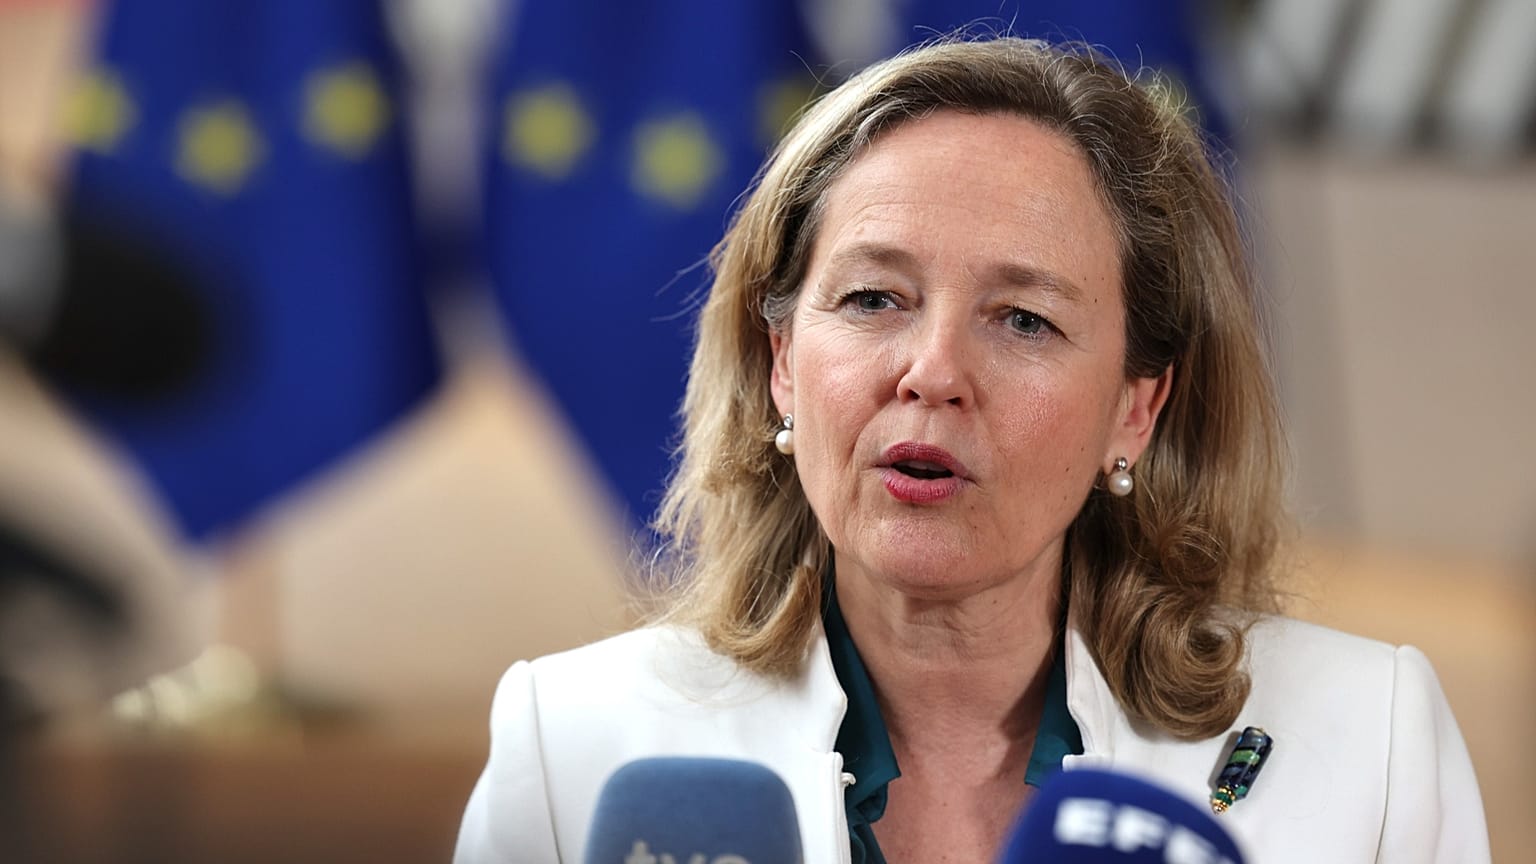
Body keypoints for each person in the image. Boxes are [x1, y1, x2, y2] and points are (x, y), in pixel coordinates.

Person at [454, 36, 1489, 863]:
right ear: (781, 364)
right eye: (874, 299)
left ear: (1136, 408)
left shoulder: (1370, 743)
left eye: (1024, 319)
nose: (933, 371)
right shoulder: (572, 743)